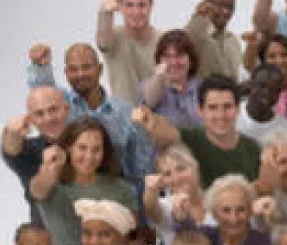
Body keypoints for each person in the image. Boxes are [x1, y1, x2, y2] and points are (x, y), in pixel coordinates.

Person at [27, 43, 178, 195]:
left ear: (100, 69)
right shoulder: (61, 104)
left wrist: (146, 205)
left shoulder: (124, 112)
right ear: (66, 73)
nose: (80, 74)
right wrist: (40, 65)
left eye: (86, 67)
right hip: (72, 194)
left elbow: (140, 165)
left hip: (116, 196)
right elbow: (43, 91)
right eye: (73, 69)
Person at [29, 117, 138, 245]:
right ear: (69, 147)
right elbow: (37, 188)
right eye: (82, 148)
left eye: (96, 149)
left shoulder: (121, 188)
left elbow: (132, 237)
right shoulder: (53, 188)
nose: (89, 156)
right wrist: (49, 166)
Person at [148, 74, 261, 188]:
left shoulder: (253, 149)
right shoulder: (189, 139)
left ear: (237, 109)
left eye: (227, 107)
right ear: (200, 111)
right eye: (212, 108)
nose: (221, 115)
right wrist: (148, 120)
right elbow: (163, 132)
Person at [190, 174, 278, 245]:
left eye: (241, 209)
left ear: (250, 211)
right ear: (214, 213)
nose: (234, 219)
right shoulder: (203, 237)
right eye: (226, 210)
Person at [2, 86, 71, 225]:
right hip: (45, 238)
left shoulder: (86, 140)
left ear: (67, 110)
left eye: (53, 109)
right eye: (39, 114)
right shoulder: (30, 149)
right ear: (31, 119)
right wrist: (11, 131)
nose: (49, 118)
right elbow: (11, 150)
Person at [143, 145, 212, 245]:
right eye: (167, 174)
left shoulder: (216, 199)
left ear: (195, 168)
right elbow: (151, 206)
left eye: (181, 169)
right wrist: (150, 189)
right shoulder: (167, 206)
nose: (176, 178)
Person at [96, 0, 161, 104]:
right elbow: (102, 43)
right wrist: (105, 11)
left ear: (151, 6)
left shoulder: (162, 39)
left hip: (156, 114)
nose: (136, 12)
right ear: (120, 6)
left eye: (142, 5)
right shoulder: (113, 36)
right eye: (129, 5)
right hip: (122, 115)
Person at [139, 29, 203, 128]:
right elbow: (148, 102)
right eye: (167, 56)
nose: (173, 62)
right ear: (159, 60)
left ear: (190, 60)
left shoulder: (203, 88)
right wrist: (159, 77)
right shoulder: (148, 87)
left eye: (180, 55)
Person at [237, 64, 287, 141]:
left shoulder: (285, 129)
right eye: (262, 86)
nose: (267, 93)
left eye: (274, 89)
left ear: (279, 93)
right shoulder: (230, 115)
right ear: (251, 84)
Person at [185, 0, 242, 80]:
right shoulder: (198, 33)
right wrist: (199, 16)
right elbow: (188, 40)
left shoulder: (233, 41)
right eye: (221, 5)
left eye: (230, 7)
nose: (226, 12)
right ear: (207, 4)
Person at [257, 34, 287, 121]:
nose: (279, 61)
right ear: (263, 62)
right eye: (272, 56)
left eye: (285, 55)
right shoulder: (257, 94)